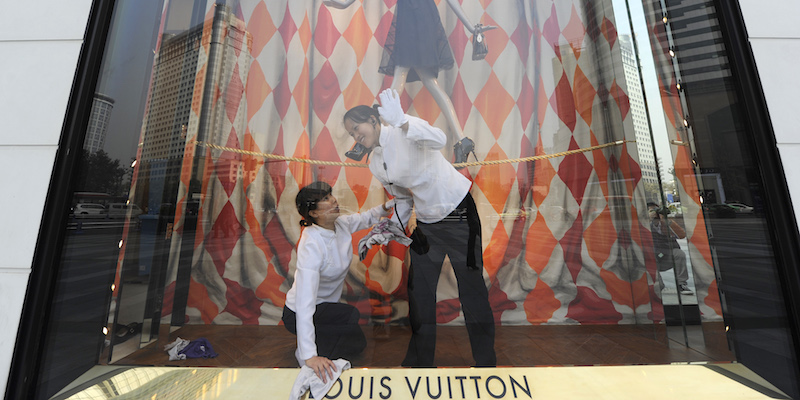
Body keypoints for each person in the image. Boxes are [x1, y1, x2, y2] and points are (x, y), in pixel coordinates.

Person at [342, 88, 496, 367]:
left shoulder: (404, 127)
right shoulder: (376, 162)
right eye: (351, 134)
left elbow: (441, 139)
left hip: (459, 213)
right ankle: (421, 362)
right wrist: (385, 230)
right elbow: (402, 199)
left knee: (471, 290)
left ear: (375, 121)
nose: (355, 136)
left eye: (357, 128)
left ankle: (486, 363)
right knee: (419, 292)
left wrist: (402, 120)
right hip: (427, 221)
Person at [323, 0, 495, 165]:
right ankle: (462, 140)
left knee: (402, 73)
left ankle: (373, 133)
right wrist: (346, 2)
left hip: (415, 19)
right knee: (428, 81)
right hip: (415, 18)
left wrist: (472, 28)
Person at [282, 181, 394, 382]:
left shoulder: (340, 224)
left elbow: (366, 218)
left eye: (330, 195)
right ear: (313, 213)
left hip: (325, 309)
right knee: (350, 314)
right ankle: (306, 350)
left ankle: (320, 341)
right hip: (299, 312)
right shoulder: (311, 244)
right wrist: (309, 355)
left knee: (357, 345)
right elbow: (305, 303)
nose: (333, 200)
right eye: (324, 199)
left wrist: (388, 206)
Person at [647, 202, 694, 295]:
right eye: (652, 210)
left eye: (656, 210)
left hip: (666, 255)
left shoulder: (665, 223)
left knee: (679, 254)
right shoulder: (644, 225)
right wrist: (648, 220)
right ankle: (659, 285)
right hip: (652, 259)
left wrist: (666, 221)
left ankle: (681, 284)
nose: (655, 213)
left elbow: (681, 235)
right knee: (646, 258)